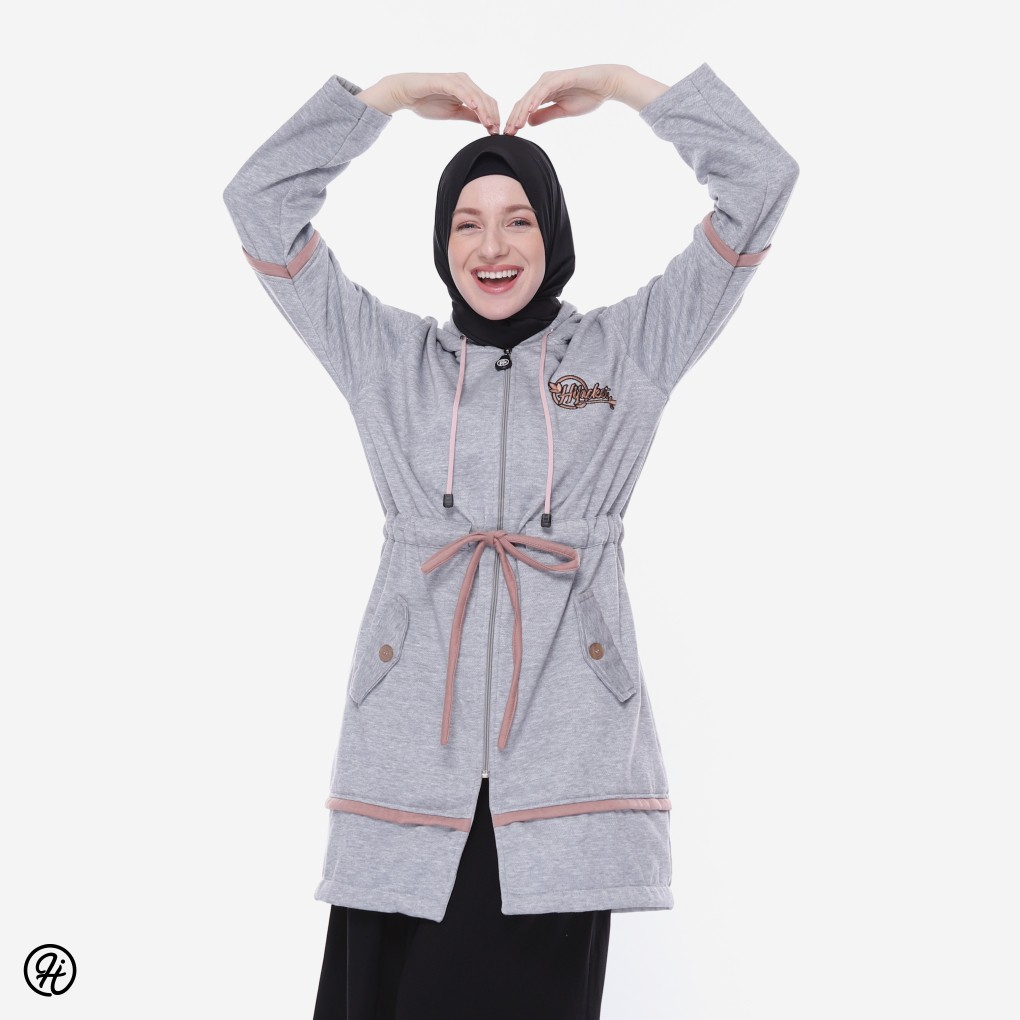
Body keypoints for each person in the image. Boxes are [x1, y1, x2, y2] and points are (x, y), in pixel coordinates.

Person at [222, 63, 799, 1019]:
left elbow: (762, 182)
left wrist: (624, 86)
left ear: (554, 234)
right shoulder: (387, 360)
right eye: (467, 223)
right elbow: (259, 204)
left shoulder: (624, 356)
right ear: (441, 243)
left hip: (564, 766)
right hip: (408, 762)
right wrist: (383, 102)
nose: (492, 247)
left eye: (518, 219)